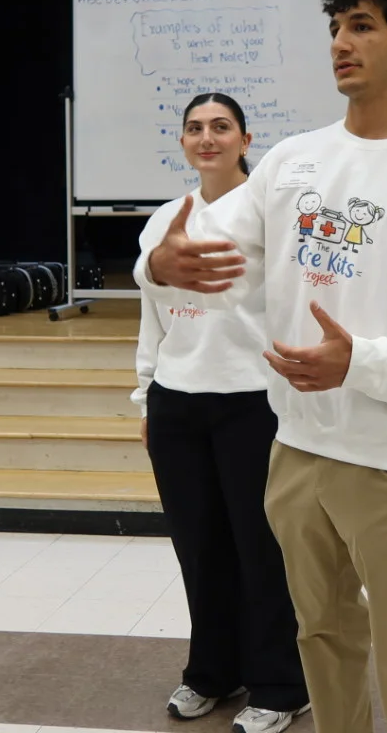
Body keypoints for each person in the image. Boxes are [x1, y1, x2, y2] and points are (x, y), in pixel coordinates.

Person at [135, 0, 387, 733]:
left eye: (362, 26)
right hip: (296, 447)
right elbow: (219, 254)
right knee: (321, 635)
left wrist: (361, 362)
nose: (341, 42)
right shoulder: (292, 162)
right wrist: (157, 266)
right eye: (336, 27)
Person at [133, 92, 311, 733]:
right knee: (198, 548)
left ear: (244, 138)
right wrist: (146, 394)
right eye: (194, 128)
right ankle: (212, 672)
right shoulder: (160, 222)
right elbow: (151, 320)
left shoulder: (268, 211)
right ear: (182, 141)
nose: (206, 137)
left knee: (260, 549)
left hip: (252, 403)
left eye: (220, 127)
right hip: (177, 403)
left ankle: (281, 686)